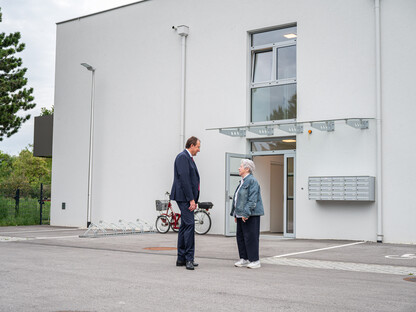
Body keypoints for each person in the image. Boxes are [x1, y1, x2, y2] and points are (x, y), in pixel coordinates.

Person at [170, 136, 201, 270]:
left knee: (184, 226)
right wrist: (191, 199)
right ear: (192, 145)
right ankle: (189, 258)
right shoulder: (183, 157)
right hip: (184, 197)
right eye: (198, 147)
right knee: (189, 226)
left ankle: (181, 258)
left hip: (185, 197)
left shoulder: (187, 158)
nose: (199, 150)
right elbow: (185, 180)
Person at [230, 159, 264, 269]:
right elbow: (238, 199)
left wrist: (246, 213)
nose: (239, 168)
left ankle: (255, 260)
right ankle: (244, 258)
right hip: (241, 214)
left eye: (241, 166)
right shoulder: (242, 181)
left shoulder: (252, 181)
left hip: (250, 215)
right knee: (241, 237)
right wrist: (236, 213)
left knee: (251, 237)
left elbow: (252, 200)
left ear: (247, 169)